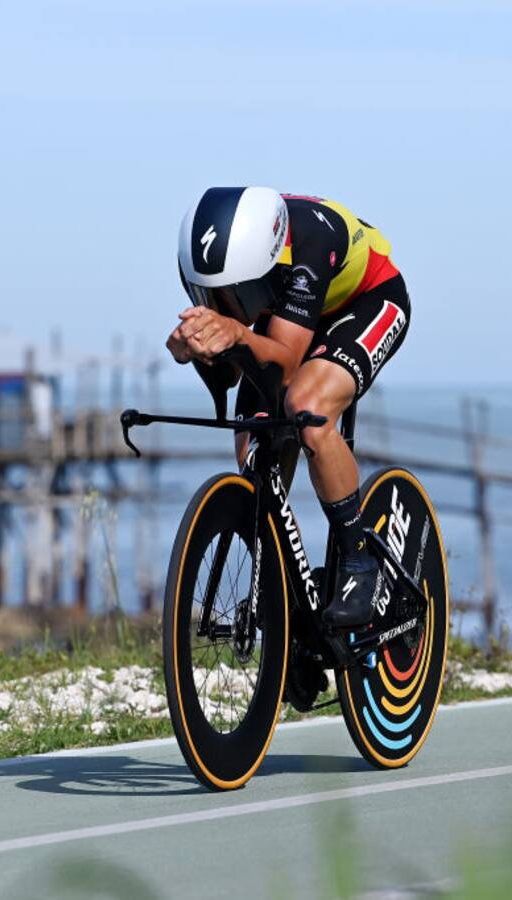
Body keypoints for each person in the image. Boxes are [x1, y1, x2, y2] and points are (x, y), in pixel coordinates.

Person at [167, 187, 410, 628]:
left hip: (368, 301)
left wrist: (236, 335)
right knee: (254, 448)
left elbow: (286, 360)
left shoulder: (308, 242)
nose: (224, 307)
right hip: (290, 320)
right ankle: (284, 583)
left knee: (307, 409)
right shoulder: (234, 263)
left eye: (231, 297)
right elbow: (230, 378)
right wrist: (196, 350)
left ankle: (359, 562)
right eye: (212, 296)